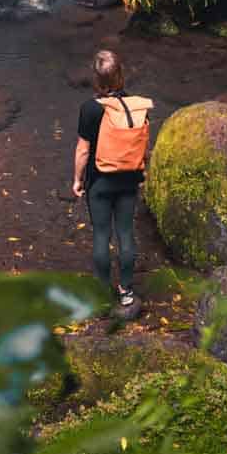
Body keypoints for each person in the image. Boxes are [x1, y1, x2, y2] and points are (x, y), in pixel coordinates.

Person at [72, 48, 153, 313]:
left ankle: (103, 293)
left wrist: (77, 180)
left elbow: (83, 150)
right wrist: (142, 174)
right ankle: (127, 292)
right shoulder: (136, 107)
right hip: (129, 179)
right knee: (126, 233)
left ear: (96, 80)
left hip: (100, 182)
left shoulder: (90, 109)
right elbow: (143, 145)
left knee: (101, 235)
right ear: (120, 76)